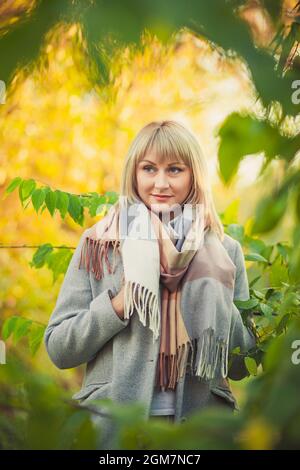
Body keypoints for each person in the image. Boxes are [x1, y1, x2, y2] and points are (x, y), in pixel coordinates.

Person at [44, 120, 258, 449]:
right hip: (115, 432)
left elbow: (241, 364)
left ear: (193, 176)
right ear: (135, 173)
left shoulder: (225, 252)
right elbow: (59, 348)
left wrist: (212, 291)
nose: (160, 183)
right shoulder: (100, 244)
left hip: (201, 436)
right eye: (149, 168)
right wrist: (118, 304)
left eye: (175, 170)